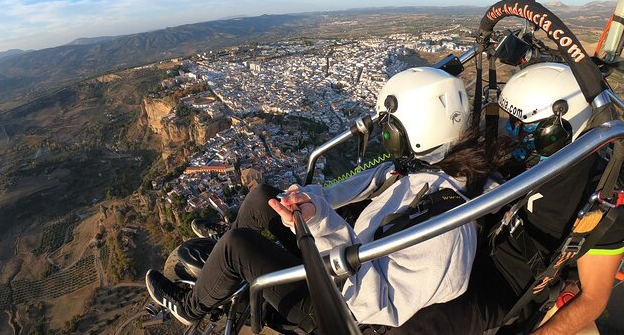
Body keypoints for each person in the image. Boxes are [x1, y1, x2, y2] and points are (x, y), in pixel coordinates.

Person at [144, 67, 513, 331]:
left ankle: (190, 309)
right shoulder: (421, 168)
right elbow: (353, 189)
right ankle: (229, 281)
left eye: (389, 129)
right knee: (260, 198)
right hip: (343, 259)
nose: (384, 136)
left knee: (237, 246)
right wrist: (308, 201)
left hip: (340, 308)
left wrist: (322, 223)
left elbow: (375, 306)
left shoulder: (445, 231)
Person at [399, 62, 624, 335]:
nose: (517, 137)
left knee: (413, 326)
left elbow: (593, 300)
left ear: (562, 127)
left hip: (502, 289)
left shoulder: (599, 197)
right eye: (514, 125)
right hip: (476, 249)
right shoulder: (531, 165)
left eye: (529, 132)